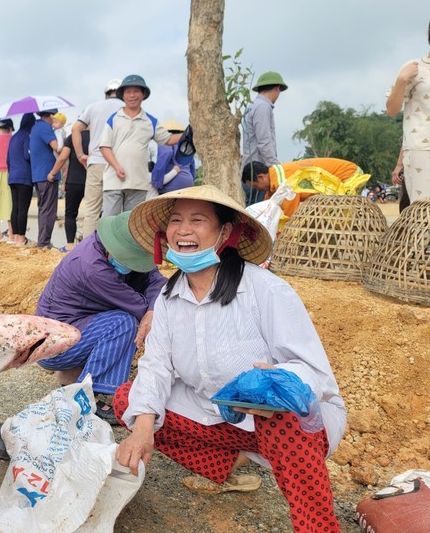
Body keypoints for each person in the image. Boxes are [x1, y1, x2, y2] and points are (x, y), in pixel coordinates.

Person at [115, 185, 346, 533]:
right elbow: (157, 366)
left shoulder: (266, 290)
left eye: (198, 220)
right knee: (128, 402)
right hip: (219, 417)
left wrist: (278, 381)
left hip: (285, 424)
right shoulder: (168, 298)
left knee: (282, 415)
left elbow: (316, 375)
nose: (183, 230)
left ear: (225, 231)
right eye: (176, 220)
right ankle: (239, 462)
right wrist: (142, 431)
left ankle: (318, 527)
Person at [36, 211, 166, 424]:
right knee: (123, 323)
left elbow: (156, 281)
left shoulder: (111, 246)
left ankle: (74, 379)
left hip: (77, 326)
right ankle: (90, 397)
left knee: (125, 318)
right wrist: (150, 309)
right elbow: (138, 306)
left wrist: (152, 309)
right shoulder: (92, 268)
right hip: (53, 345)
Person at [100, 74, 181, 217]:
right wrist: (117, 166)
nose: (132, 95)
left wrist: (190, 133)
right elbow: (104, 147)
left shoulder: (151, 121)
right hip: (114, 180)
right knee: (109, 222)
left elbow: (168, 140)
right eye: (128, 92)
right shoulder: (114, 118)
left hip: (138, 183)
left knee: (130, 224)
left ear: (143, 94)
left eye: (136, 91)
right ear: (123, 96)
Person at [72, 78, 124, 238]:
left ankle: (87, 252)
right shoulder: (126, 109)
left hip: (95, 162)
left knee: (92, 212)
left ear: (106, 94)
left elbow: (76, 129)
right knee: (114, 212)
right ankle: (110, 251)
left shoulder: (93, 107)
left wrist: (81, 155)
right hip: (117, 165)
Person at [386, 24, 430, 202]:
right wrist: (402, 79)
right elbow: (392, 110)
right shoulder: (415, 68)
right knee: (424, 214)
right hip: (422, 149)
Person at [241, 158, 367, 218]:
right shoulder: (275, 178)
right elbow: (268, 205)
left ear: (261, 177)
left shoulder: (284, 182)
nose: (257, 190)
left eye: (255, 187)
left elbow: (289, 215)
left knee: (334, 220)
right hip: (346, 175)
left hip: (349, 176)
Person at [242, 71, 288, 205]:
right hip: (259, 173)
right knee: (259, 213)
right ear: (277, 88)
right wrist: (277, 170)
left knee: (252, 210)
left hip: (250, 169)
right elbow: (264, 142)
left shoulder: (252, 106)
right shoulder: (263, 107)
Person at [48, 128, 90, 252]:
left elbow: (62, 158)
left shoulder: (73, 137)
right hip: (93, 181)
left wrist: (52, 173)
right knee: (93, 213)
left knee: (70, 214)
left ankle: (70, 246)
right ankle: (90, 246)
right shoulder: (99, 136)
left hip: (74, 181)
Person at [30, 109, 60, 249]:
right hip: (47, 174)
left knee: (43, 208)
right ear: (50, 115)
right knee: (49, 209)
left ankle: (42, 240)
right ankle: (44, 242)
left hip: (39, 174)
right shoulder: (44, 127)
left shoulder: (36, 127)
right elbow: (57, 148)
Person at [7, 113, 34, 246]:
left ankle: (15, 236)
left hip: (12, 177)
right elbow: (27, 155)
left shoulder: (13, 138)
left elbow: (8, 159)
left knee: (15, 207)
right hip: (24, 177)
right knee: (23, 208)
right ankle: (21, 238)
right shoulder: (26, 136)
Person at [150, 119, 196, 195]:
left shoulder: (166, 141)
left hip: (172, 184)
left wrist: (156, 181)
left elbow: (166, 153)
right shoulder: (186, 144)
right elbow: (192, 166)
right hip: (188, 182)